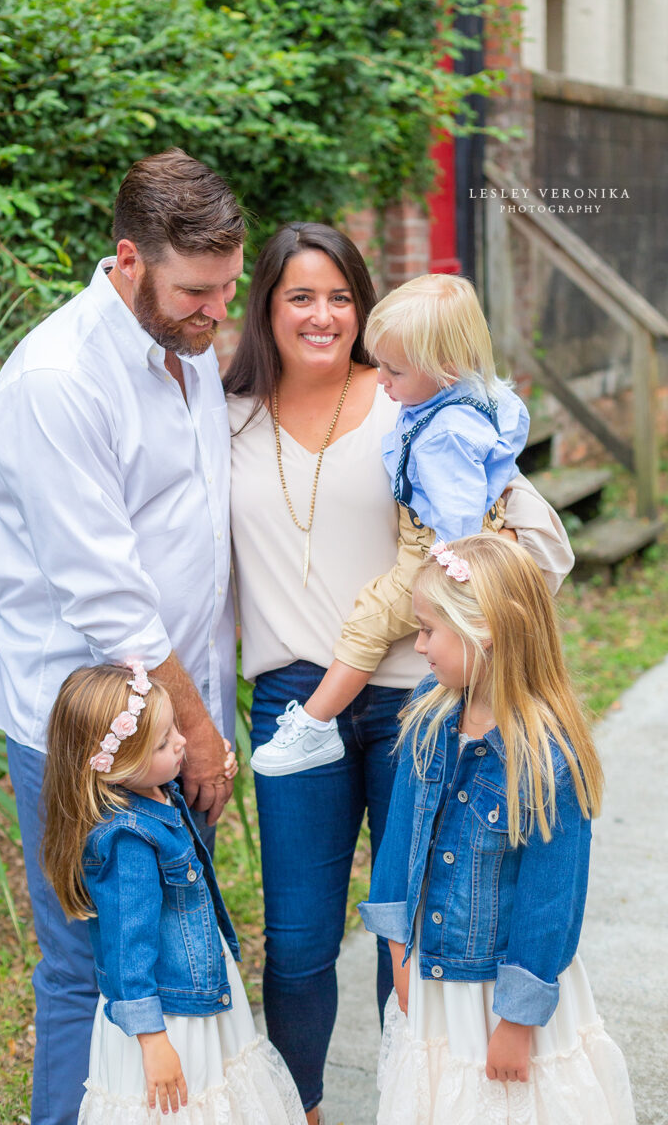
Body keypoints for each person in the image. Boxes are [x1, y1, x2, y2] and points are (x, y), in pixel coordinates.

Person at [223, 223, 573, 1124]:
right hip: (294, 701)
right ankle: (303, 1107)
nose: (323, 315)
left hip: (416, 696)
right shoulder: (220, 417)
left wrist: (467, 567)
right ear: (266, 305)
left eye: (341, 296)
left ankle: (409, 1103)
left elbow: (535, 540)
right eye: (301, 296)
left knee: (407, 932)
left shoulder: (409, 400)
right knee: (299, 942)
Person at [0, 148, 245, 1125]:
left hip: (180, 720)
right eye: (195, 291)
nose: (217, 311)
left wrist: (206, 717)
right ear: (128, 259)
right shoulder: (56, 379)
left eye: (227, 287)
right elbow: (111, 602)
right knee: (88, 970)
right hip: (87, 736)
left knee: (172, 958)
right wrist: (202, 733)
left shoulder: (189, 343)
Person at [360, 534, 635, 1124]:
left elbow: (550, 901)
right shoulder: (427, 716)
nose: (419, 644)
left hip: (503, 989)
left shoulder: (546, 758)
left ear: (484, 631)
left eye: (431, 629)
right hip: (433, 978)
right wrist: (396, 949)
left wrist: (517, 1020)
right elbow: (399, 841)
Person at [250, 273, 531, 777]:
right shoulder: (473, 399)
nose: (382, 381)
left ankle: (314, 724)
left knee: (369, 618)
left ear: (445, 369)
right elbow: (508, 436)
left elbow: (459, 524)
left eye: (394, 371)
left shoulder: (445, 436)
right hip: (446, 537)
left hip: (436, 549)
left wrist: (448, 571)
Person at [40, 661, 307, 1123]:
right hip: (170, 1014)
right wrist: (154, 1041)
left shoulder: (159, 792)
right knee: (185, 1104)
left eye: (173, 730)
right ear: (115, 766)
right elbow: (128, 948)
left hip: (196, 988)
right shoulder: (129, 841)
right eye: (164, 742)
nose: (181, 742)